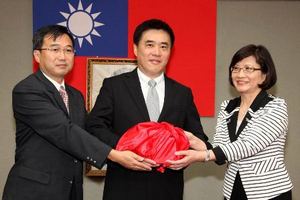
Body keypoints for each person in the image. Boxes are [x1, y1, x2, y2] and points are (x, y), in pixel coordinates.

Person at [2, 25, 154, 200]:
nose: (62, 56)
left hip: (70, 191)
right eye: (54, 49)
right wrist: (114, 155)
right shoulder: (27, 90)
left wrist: (138, 144)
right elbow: (64, 131)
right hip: (33, 192)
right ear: (37, 55)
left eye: (68, 50)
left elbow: (90, 130)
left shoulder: (75, 96)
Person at [86, 19, 210, 200]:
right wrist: (122, 150)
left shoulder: (182, 93)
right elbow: (95, 126)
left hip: (168, 188)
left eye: (164, 46)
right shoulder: (114, 86)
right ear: (136, 49)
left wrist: (189, 155)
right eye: (150, 45)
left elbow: (198, 137)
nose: (157, 52)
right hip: (123, 187)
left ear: (170, 52)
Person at [168, 44, 293, 200]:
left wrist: (201, 156)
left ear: (264, 75)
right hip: (233, 190)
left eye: (248, 69)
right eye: (235, 68)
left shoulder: (275, 106)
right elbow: (222, 149)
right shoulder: (227, 107)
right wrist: (191, 139)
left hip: (269, 192)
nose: (240, 74)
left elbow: (249, 145)